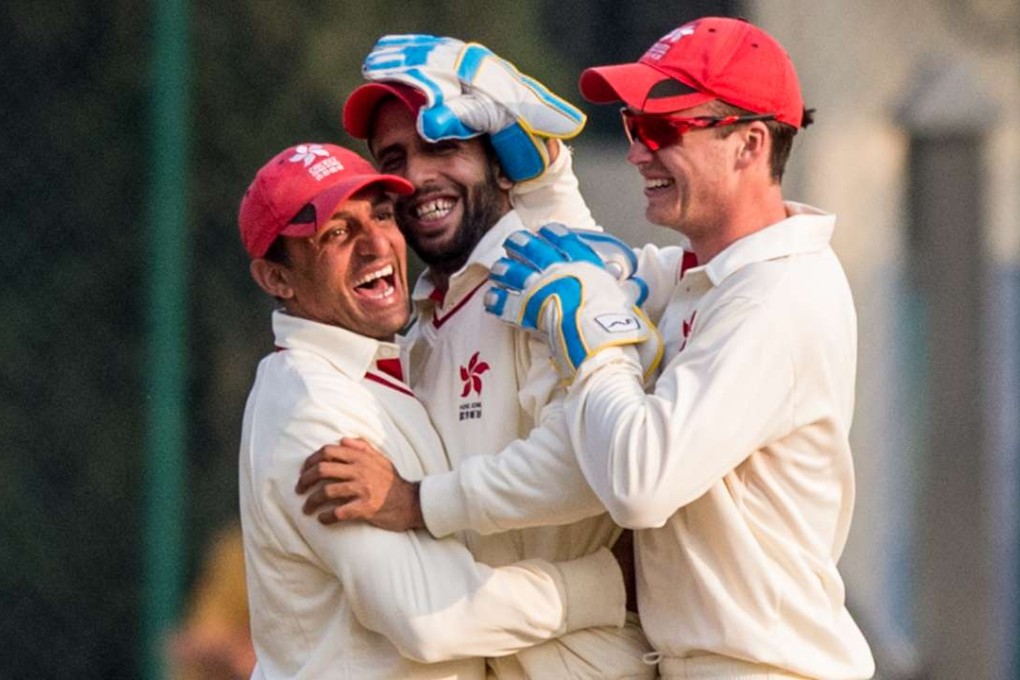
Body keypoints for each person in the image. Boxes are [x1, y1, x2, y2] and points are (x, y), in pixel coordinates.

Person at [304, 18, 877, 680]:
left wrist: (595, 350)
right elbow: (592, 271)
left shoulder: (772, 300)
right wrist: (550, 173)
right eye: (635, 130)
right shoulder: (710, 278)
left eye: (662, 130)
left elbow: (638, 482)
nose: (637, 153)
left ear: (748, 144)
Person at [297, 36, 668, 679]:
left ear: (501, 165)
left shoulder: (545, 275)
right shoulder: (418, 324)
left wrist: (420, 501)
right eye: (395, 158)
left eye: (443, 147)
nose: (417, 178)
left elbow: (592, 461)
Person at [236, 141, 628, 679]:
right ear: (277, 279)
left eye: (379, 215)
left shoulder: (379, 366)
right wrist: (611, 583)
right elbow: (432, 617)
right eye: (337, 234)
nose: (377, 245)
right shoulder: (315, 408)